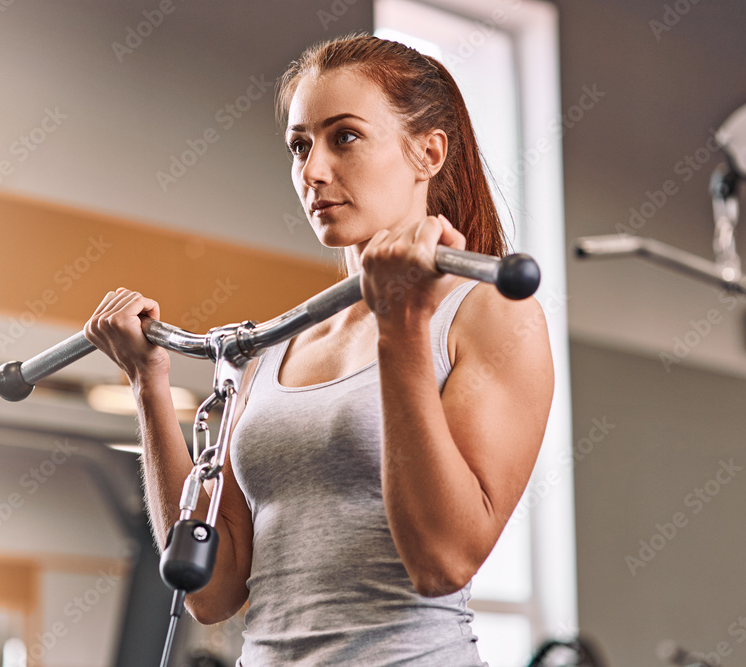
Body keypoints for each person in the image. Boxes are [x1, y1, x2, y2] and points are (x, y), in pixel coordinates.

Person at [84, 33, 553, 667]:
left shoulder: (489, 314)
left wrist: (401, 328)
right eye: (300, 146)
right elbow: (212, 593)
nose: (313, 171)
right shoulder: (276, 346)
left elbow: (442, 561)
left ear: (428, 152)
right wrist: (148, 383)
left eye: (345, 137)